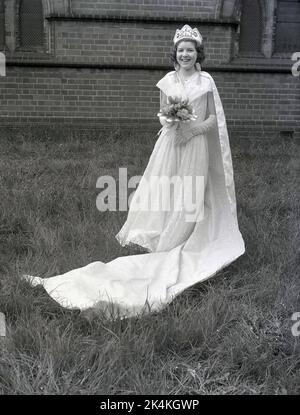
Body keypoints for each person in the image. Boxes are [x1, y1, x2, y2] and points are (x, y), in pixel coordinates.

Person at [24, 25, 245, 319]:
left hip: (196, 145)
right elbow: (164, 113)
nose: (186, 54)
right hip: (171, 144)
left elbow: (211, 121)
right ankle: (164, 229)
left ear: (198, 52)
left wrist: (191, 130)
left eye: (190, 50)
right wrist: (174, 127)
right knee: (166, 188)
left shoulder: (206, 81)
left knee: (190, 192)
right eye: (181, 50)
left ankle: (181, 236)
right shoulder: (167, 81)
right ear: (175, 54)